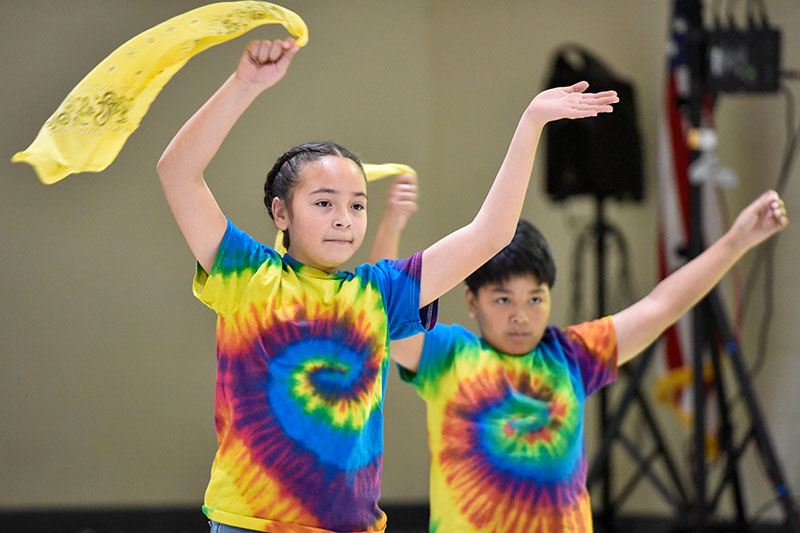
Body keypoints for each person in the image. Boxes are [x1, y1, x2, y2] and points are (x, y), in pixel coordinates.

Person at [156, 36, 617, 533]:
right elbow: (178, 173)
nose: (344, 219)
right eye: (324, 202)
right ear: (280, 212)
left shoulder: (381, 292)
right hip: (248, 523)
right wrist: (245, 84)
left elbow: (491, 234)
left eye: (357, 204)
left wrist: (531, 122)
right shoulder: (247, 276)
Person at [387, 191, 788, 532]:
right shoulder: (449, 356)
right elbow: (383, 319)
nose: (520, 315)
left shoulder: (572, 355)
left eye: (536, 298)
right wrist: (392, 224)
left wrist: (736, 241)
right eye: (503, 299)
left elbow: (661, 305)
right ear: (472, 301)